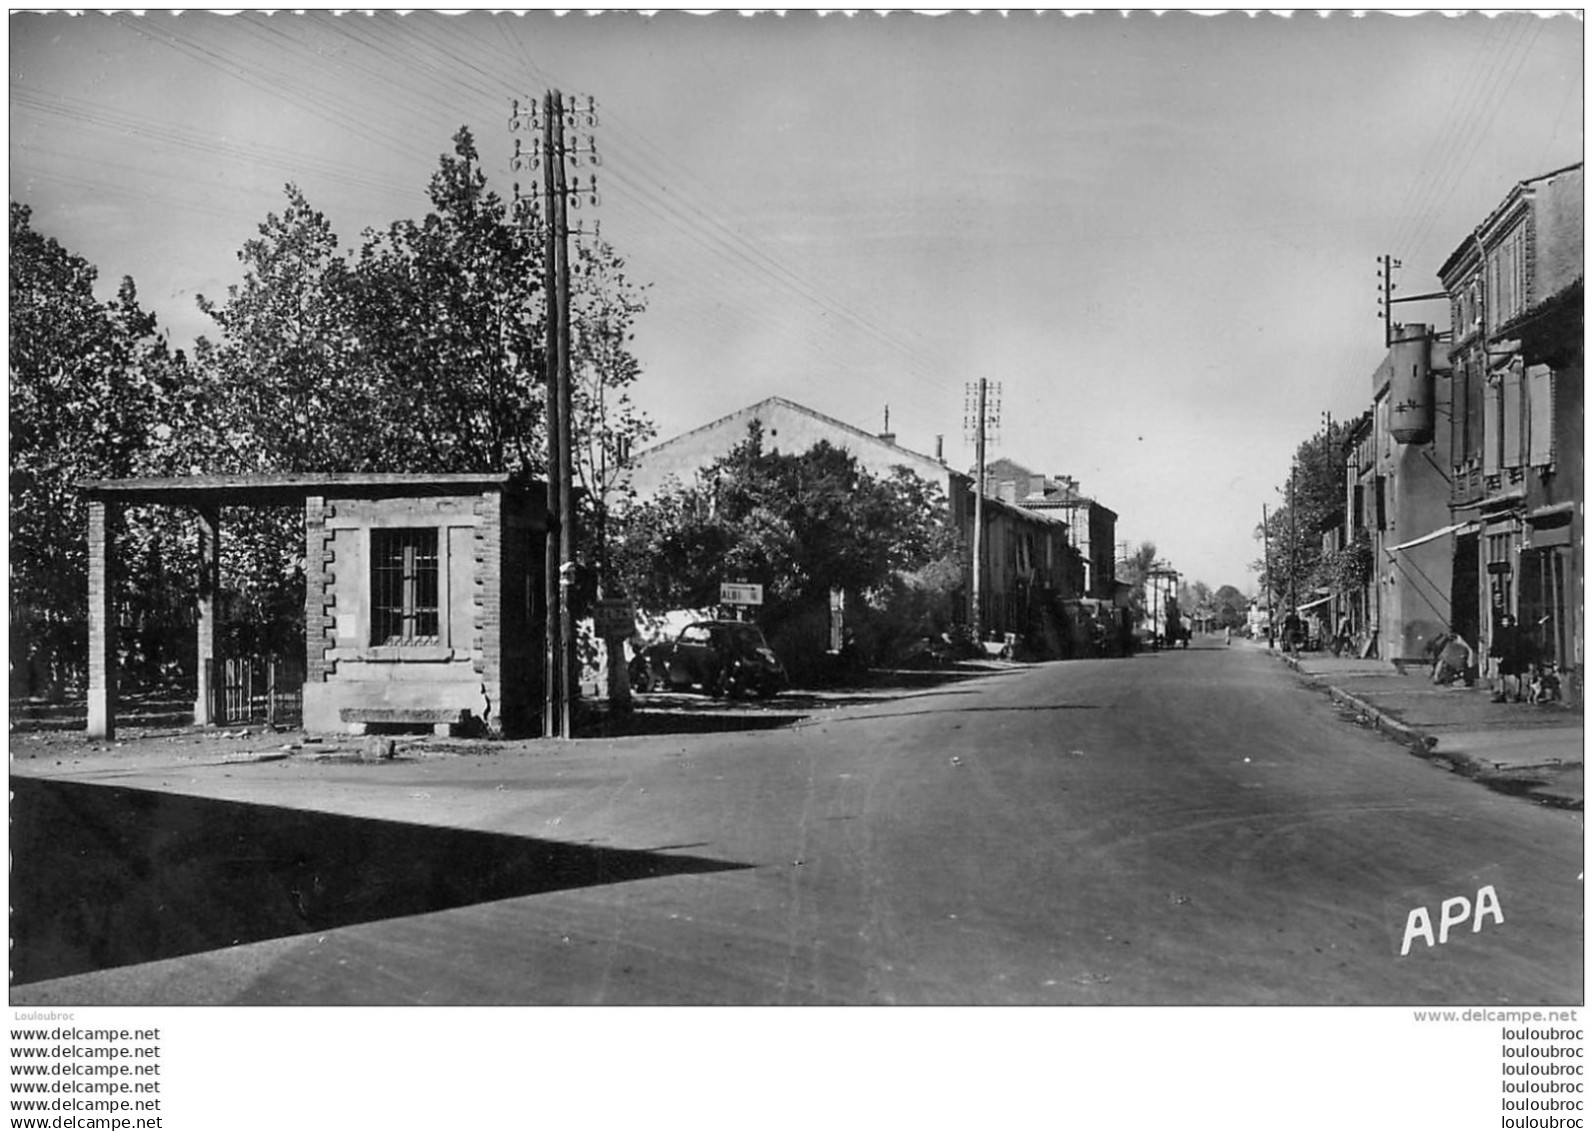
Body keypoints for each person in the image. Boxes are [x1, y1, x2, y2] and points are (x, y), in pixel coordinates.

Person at [1489, 614, 1526, 703]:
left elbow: (1518, 643)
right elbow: (1496, 643)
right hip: (1503, 656)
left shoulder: (1515, 631)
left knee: (1516, 674)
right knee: (1501, 675)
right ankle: (1502, 693)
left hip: (1514, 656)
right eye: (1503, 621)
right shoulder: (1499, 631)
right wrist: (1496, 655)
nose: (1505, 623)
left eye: (1506, 621)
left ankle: (1516, 694)